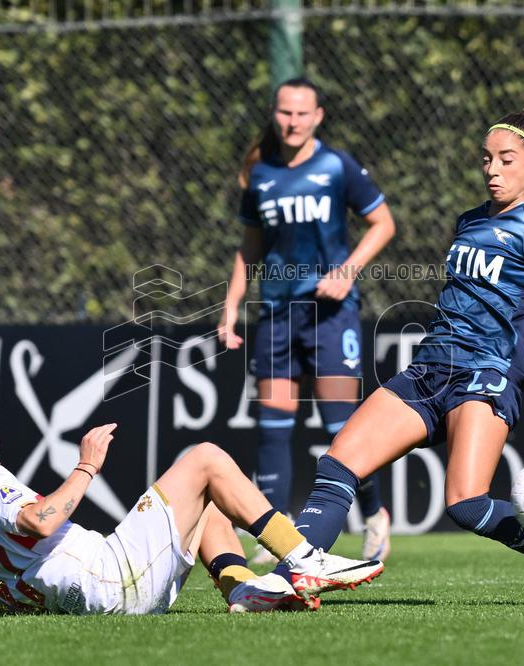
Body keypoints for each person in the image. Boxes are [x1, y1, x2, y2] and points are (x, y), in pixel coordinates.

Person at [282, 103, 524, 605]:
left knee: (465, 504)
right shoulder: (469, 220)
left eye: (506, 160)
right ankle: (291, 579)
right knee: (338, 465)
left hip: (487, 374)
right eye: (486, 159)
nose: (493, 170)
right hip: (430, 369)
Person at [0, 393, 383, 615]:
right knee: (207, 458)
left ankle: (243, 590)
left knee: (212, 498)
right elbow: (38, 521)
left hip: (90, 601)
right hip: (112, 581)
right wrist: (86, 466)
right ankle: (302, 558)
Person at [217, 77, 397, 564]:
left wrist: (347, 271)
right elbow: (250, 246)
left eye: (302, 113)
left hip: (330, 317)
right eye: (284, 112)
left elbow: (384, 223)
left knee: (343, 427)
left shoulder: (336, 165)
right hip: (277, 317)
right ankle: (274, 535)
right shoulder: (260, 174)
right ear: (274, 114)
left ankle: (376, 515)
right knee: (273, 426)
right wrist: (231, 305)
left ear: (318, 116)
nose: (292, 121)